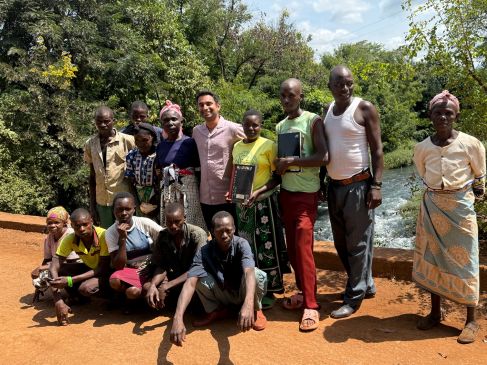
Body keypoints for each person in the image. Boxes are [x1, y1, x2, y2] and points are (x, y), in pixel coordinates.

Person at [412, 90, 486, 344]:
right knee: (435, 258)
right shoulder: (422, 148)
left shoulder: (471, 144)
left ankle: (471, 320)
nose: (443, 117)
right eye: (438, 113)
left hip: (461, 208)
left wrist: (476, 193)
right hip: (433, 207)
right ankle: (435, 313)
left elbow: (479, 175)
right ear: (430, 115)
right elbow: (423, 173)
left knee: (467, 260)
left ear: (456, 116)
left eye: (448, 113)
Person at [323, 65, 384, 319]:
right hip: (333, 186)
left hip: (358, 185)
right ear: (330, 86)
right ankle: (365, 284)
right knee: (341, 243)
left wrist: (376, 185)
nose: (345, 88)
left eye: (349, 83)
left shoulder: (364, 108)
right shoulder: (327, 110)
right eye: (339, 83)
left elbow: (378, 150)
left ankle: (353, 297)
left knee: (358, 244)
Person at [275, 78, 328, 332]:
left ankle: (311, 304)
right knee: (292, 250)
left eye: (291, 95)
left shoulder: (313, 120)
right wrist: (279, 164)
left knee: (303, 247)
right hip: (286, 193)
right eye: (283, 96)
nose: (286, 100)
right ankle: (302, 291)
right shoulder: (280, 126)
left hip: (307, 195)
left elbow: (323, 157)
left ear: (300, 96)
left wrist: (293, 160)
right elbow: (281, 161)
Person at [170, 212, 268, 346]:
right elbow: (190, 283)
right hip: (223, 292)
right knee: (196, 277)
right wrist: (178, 317)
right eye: (220, 231)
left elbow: (249, 272)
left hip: (244, 293)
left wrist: (249, 304)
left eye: (228, 231)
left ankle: (256, 310)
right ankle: (217, 311)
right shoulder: (204, 251)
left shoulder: (242, 244)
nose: (224, 235)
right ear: (212, 231)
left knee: (256, 274)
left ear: (234, 229)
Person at [230, 109, 290, 309]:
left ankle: (270, 290)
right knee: (248, 246)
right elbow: (236, 174)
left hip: (264, 204)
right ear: (242, 125)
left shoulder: (269, 145)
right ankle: (252, 287)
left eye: (255, 125)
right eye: (247, 125)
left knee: (267, 246)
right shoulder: (237, 146)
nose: (251, 128)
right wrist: (232, 192)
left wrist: (258, 193)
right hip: (243, 206)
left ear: (261, 125)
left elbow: (277, 177)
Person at [48, 208, 111, 326]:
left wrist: (70, 280)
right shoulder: (70, 239)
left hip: (108, 272)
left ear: (91, 221)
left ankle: (113, 299)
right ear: (72, 226)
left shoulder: (103, 235)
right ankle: (79, 298)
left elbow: (102, 269)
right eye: (77, 226)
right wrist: (58, 300)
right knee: (60, 269)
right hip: (91, 269)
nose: (81, 229)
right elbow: (53, 266)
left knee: (86, 288)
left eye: (85, 224)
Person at [192, 91, 245, 231]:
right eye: (201, 105)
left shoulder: (232, 128)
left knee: (233, 235)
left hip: (228, 196)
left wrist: (240, 185)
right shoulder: (196, 131)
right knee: (214, 235)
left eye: (209, 104)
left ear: (218, 106)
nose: (205, 108)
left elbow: (254, 145)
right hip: (205, 196)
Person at [144, 202, 207, 310]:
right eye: (169, 222)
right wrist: (153, 285)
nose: (173, 226)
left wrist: (168, 285)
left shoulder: (198, 235)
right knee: (149, 288)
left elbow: (197, 268)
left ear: (184, 218)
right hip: (176, 277)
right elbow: (161, 265)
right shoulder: (163, 236)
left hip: (194, 278)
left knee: (198, 296)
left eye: (177, 222)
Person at [105, 192, 163, 308]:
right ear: (114, 211)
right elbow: (118, 266)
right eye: (119, 210)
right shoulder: (111, 232)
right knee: (115, 280)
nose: (124, 213)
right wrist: (122, 239)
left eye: (128, 209)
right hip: (131, 271)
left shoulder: (143, 223)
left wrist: (153, 262)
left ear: (134, 210)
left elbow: (165, 235)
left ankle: (137, 298)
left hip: (150, 268)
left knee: (137, 293)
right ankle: (126, 298)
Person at [156, 100, 206, 230]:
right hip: (168, 192)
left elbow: (198, 170)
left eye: (174, 119)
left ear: (181, 121)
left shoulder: (190, 143)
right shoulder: (160, 146)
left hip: (188, 191)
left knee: (190, 224)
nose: (170, 123)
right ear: (162, 124)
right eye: (166, 121)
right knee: (172, 224)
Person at [85, 106, 135, 228]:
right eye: (99, 121)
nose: (103, 125)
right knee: (107, 238)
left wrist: (136, 204)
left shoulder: (127, 141)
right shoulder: (90, 144)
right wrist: (92, 206)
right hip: (102, 202)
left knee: (127, 235)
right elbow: (92, 176)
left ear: (114, 121)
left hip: (124, 202)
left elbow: (135, 173)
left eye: (106, 121)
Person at [31, 206, 79, 302]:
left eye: (56, 222)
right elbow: (47, 259)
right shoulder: (49, 237)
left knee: (60, 270)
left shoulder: (71, 235)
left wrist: (43, 268)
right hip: (59, 264)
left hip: (76, 267)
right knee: (38, 272)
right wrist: (38, 282)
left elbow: (71, 261)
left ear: (65, 223)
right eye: (49, 223)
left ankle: (77, 295)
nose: (52, 225)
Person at [125, 122, 159, 220]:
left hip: (156, 197)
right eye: (137, 140)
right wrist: (136, 203)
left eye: (145, 140)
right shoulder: (132, 155)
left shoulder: (158, 155)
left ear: (152, 138)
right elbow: (130, 181)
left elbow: (161, 180)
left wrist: (156, 202)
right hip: (138, 197)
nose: (140, 144)